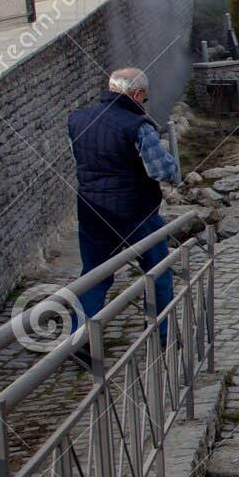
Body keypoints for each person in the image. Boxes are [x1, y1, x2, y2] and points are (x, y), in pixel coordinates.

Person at [67, 68, 179, 354]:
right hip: (135, 212)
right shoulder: (138, 126)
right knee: (157, 272)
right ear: (138, 94)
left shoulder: (77, 119)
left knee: (94, 274)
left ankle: (78, 340)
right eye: (145, 97)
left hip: (92, 211)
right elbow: (161, 170)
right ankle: (161, 335)